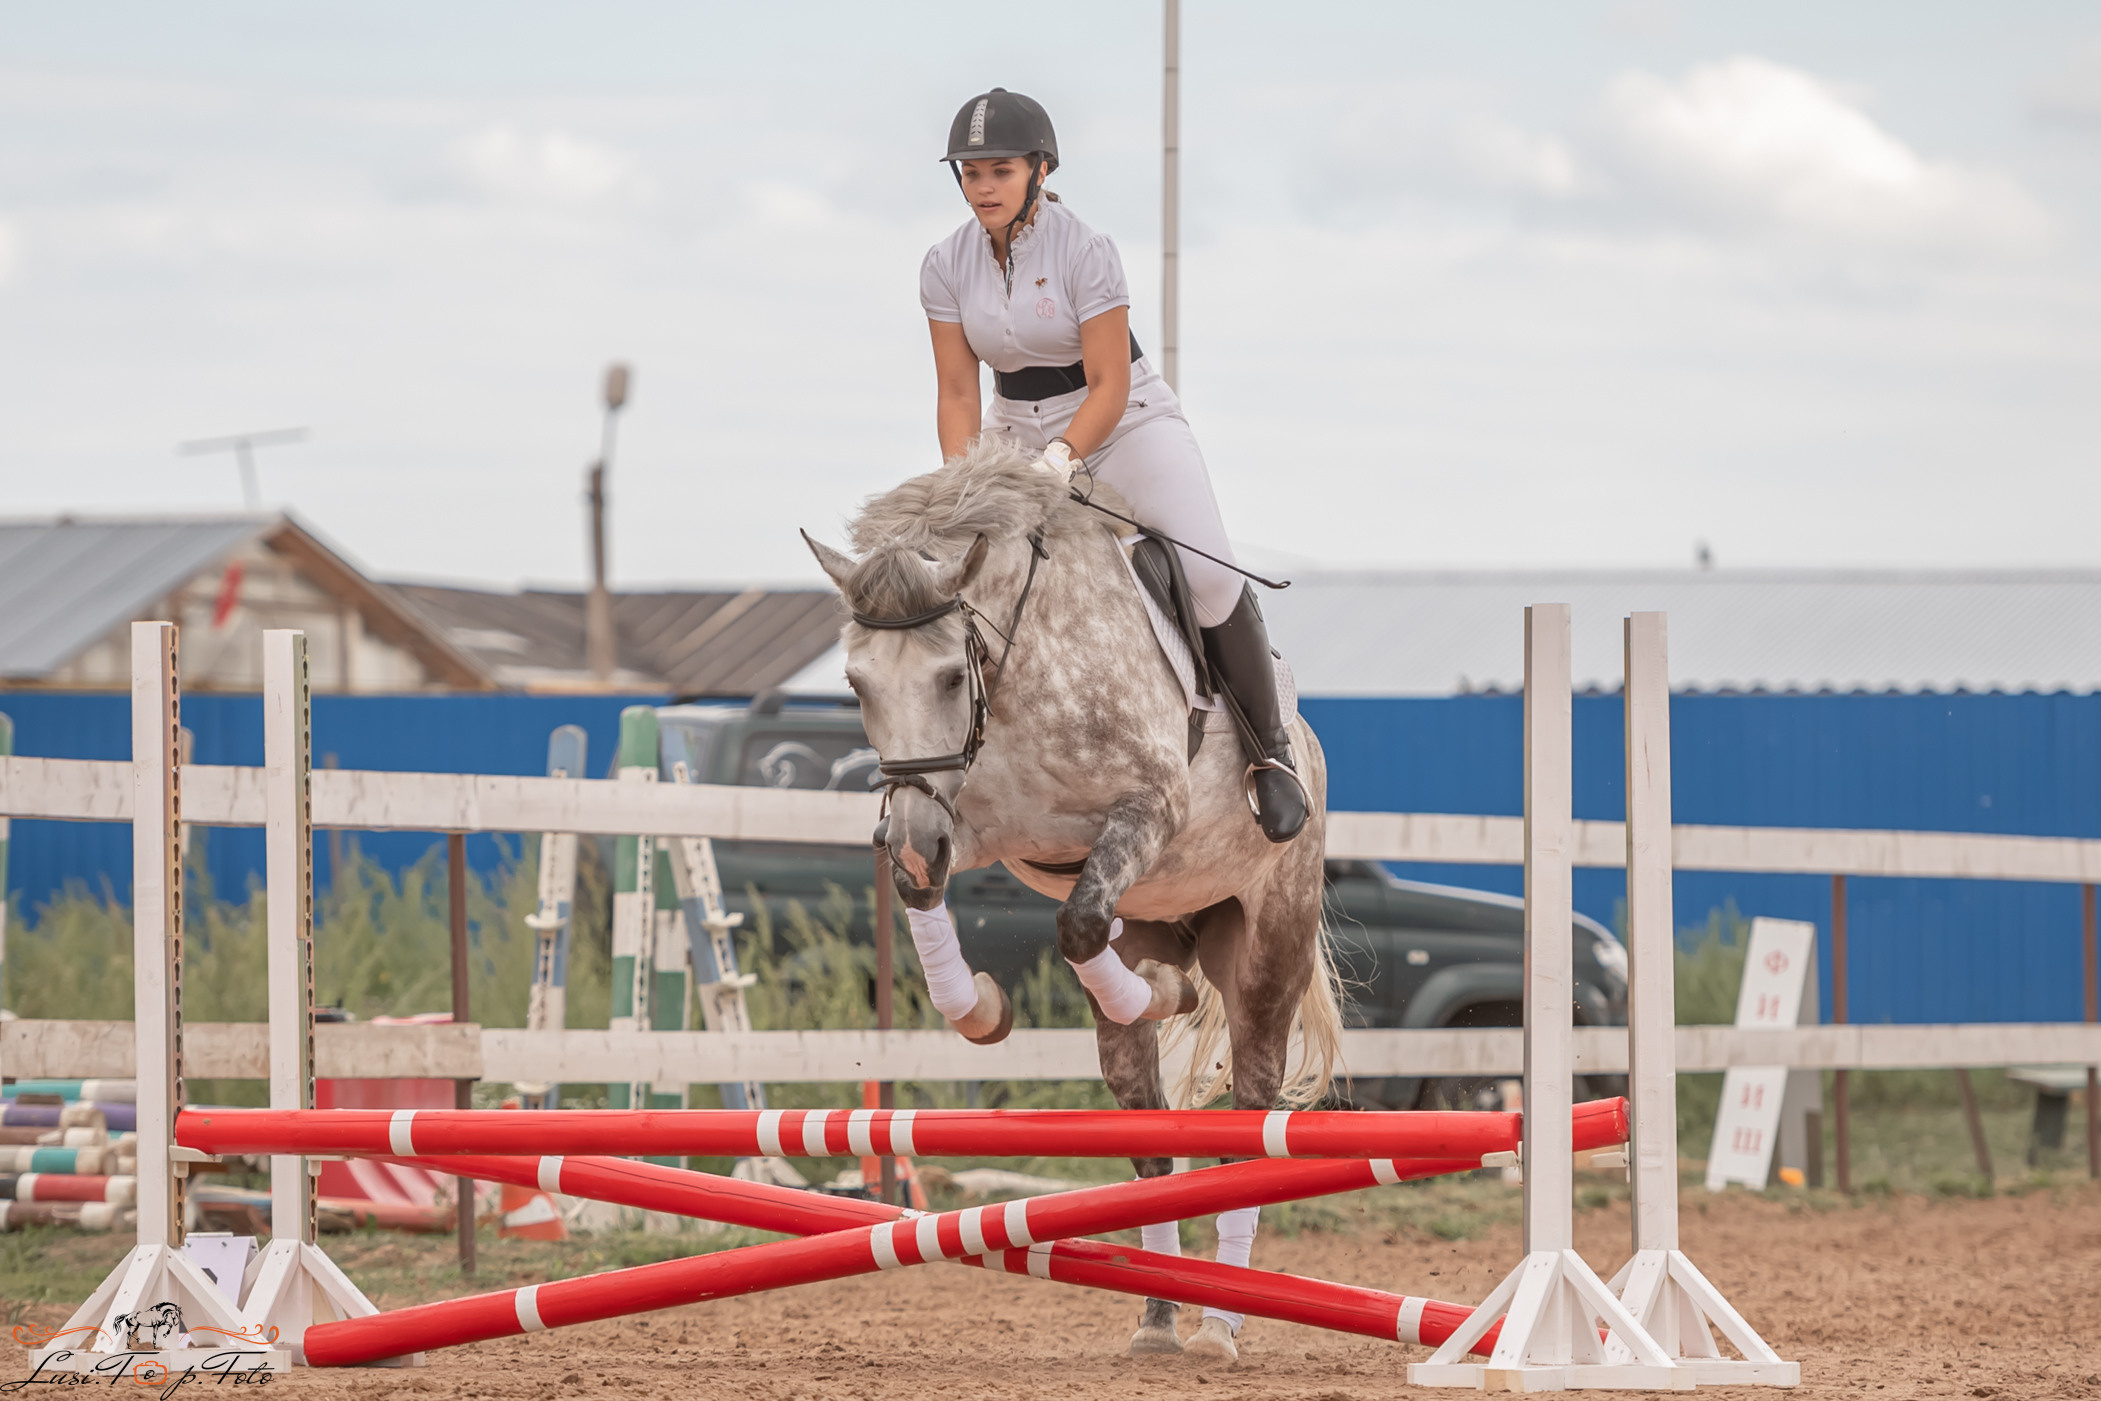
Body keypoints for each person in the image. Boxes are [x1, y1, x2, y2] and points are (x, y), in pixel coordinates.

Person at [919, 86, 1305, 844]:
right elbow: (958, 391)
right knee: (964, 572)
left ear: (1038, 170)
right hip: (1011, 428)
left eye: (998, 170)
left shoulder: (1085, 249)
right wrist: (966, 484)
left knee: (1210, 576)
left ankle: (1269, 752)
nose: (983, 187)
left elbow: (1109, 382)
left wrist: (1063, 459)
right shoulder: (943, 264)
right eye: (969, 173)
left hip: (1122, 422)